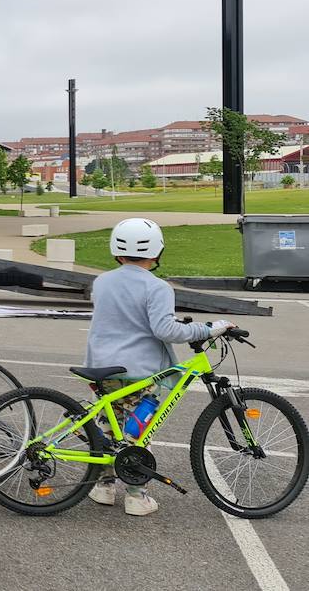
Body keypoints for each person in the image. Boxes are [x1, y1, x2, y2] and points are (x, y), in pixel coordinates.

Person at [84, 218, 231, 516]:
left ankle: (103, 486)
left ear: (116, 249)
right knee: (138, 430)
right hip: (138, 370)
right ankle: (136, 496)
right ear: (156, 252)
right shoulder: (158, 287)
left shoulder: (101, 282)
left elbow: (119, 318)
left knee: (109, 426)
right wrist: (206, 330)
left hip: (101, 366)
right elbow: (165, 329)